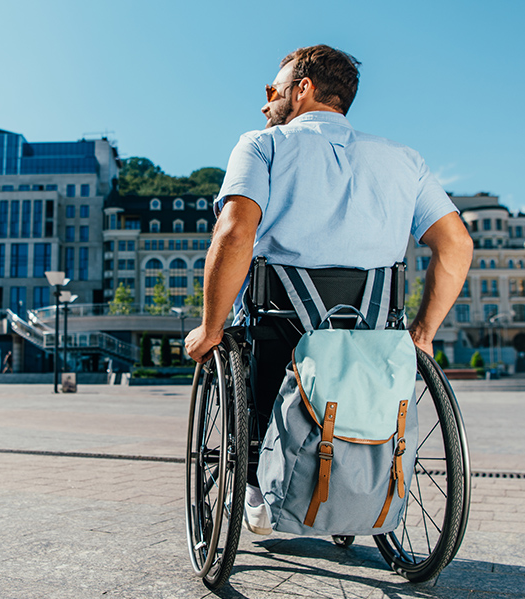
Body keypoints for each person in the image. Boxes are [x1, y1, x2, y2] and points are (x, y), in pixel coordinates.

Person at [185, 44, 473, 534]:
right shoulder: (405, 160)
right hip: (374, 334)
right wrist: (423, 335)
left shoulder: (261, 145)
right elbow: (456, 244)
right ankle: (363, 488)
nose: (265, 104)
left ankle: (258, 482)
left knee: (243, 334)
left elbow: (235, 233)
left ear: (303, 90)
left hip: (280, 329)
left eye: (271, 91)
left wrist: (210, 329)